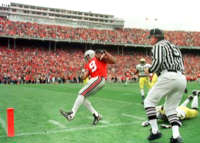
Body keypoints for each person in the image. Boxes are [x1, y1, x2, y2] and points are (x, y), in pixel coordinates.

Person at [144, 28, 187, 143]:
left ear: (155, 37)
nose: (150, 40)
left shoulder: (158, 45)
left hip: (168, 75)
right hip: (181, 77)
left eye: (151, 38)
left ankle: (154, 131)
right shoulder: (174, 46)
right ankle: (176, 136)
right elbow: (182, 63)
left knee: (148, 102)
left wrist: (150, 70)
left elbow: (158, 62)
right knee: (171, 109)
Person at [60, 49, 116, 125]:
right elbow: (83, 77)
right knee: (83, 98)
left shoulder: (98, 57)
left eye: (87, 57)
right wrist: (82, 73)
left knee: (81, 93)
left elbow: (114, 61)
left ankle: (71, 114)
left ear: (91, 54)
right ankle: (96, 115)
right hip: (96, 80)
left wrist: (105, 53)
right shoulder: (88, 65)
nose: (86, 59)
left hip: (98, 78)